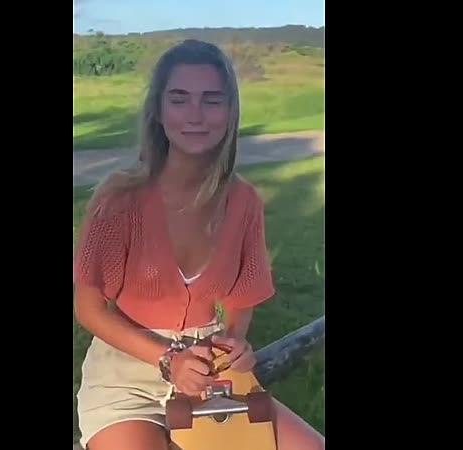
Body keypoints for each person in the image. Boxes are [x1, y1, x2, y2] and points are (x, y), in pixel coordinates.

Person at [73, 39, 325, 450]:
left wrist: (235, 340)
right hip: (126, 375)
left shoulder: (243, 202)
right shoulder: (118, 200)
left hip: (212, 373)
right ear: (158, 110)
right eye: (179, 99)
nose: (196, 114)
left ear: (230, 111)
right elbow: (88, 308)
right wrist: (167, 358)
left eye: (211, 100)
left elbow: (243, 295)